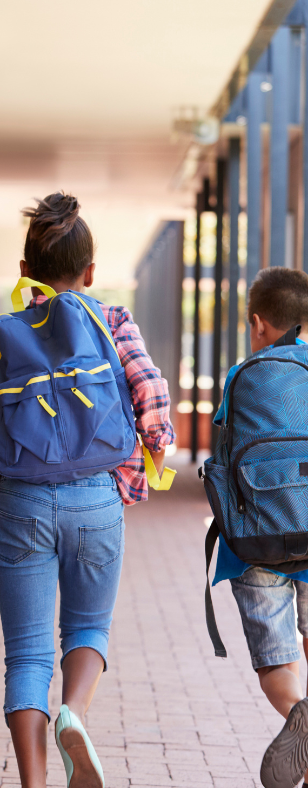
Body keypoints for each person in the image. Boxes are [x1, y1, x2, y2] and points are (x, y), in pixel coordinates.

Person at [0, 194, 174, 788]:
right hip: (96, 497)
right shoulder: (110, 319)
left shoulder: (5, 329)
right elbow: (150, 393)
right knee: (88, 629)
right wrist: (156, 452)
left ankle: (34, 783)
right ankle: (76, 713)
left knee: (26, 654)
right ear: (90, 273)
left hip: (21, 499)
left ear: (23, 273)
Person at [209, 267, 308, 788]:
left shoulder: (242, 374)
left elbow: (220, 457)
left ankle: (299, 712)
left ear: (257, 323)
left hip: (257, 538)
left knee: (275, 659)